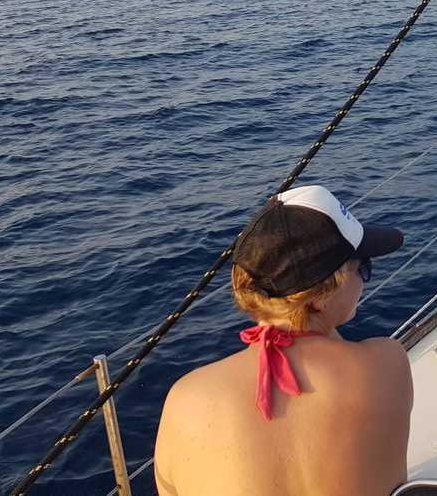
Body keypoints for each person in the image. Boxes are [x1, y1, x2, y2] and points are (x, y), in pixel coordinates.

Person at [155, 185, 412, 496]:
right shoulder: (387, 362)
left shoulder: (184, 398)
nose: (364, 282)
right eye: (363, 269)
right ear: (323, 294)